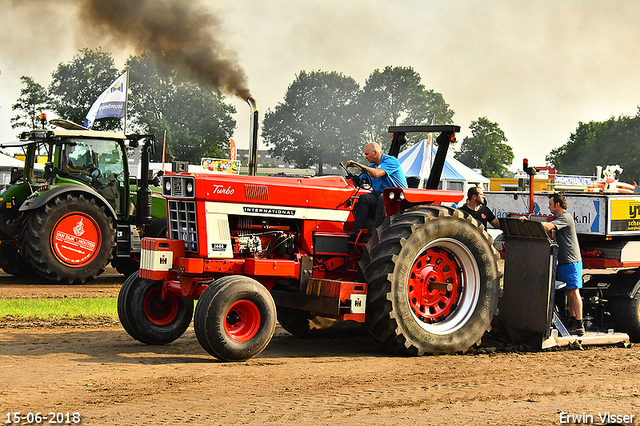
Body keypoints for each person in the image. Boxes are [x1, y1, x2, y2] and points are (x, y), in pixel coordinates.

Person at [521, 193, 584, 336]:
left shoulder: (565, 217)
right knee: (568, 291)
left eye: (550, 204)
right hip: (563, 260)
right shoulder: (558, 217)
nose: (548, 207)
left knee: (574, 291)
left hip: (571, 260)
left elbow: (548, 226)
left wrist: (529, 223)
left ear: (557, 205)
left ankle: (580, 323)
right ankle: (573, 319)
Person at [346, 142, 407, 239]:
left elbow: (376, 173)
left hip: (397, 199)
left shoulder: (391, 161)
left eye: (367, 154)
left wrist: (357, 165)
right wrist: (353, 179)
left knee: (383, 198)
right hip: (380, 196)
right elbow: (361, 179)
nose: (366, 157)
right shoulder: (372, 166)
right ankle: (357, 231)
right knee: (364, 198)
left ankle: (376, 234)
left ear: (375, 152)